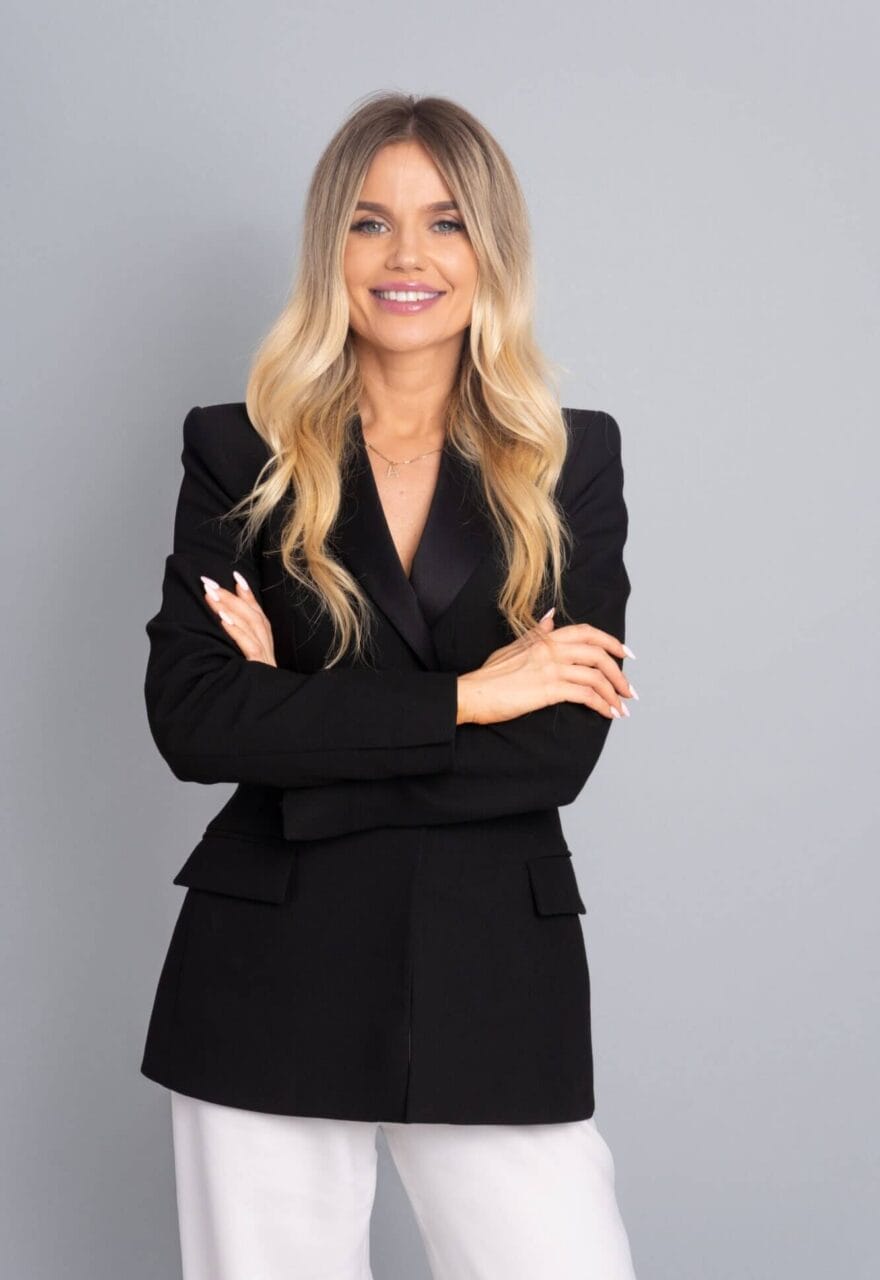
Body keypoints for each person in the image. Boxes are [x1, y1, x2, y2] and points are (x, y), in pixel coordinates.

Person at [140, 90, 639, 1279]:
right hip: (268, 962)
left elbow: (555, 752)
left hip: (490, 963)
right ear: (332, 249)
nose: (406, 255)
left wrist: (297, 726)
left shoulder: (570, 459)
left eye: (445, 221)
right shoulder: (238, 452)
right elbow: (196, 720)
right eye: (369, 222)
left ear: (490, 248)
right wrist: (472, 695)